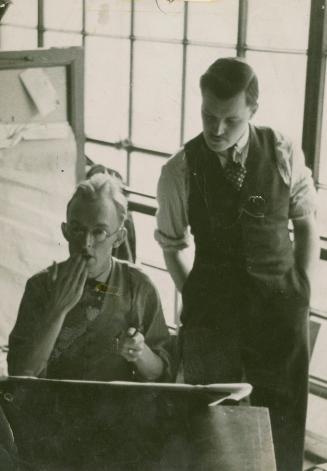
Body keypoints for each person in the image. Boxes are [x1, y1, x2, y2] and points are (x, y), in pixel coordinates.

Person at [155, 57, 319, 471]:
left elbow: (306, 220)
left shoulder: (283, 150)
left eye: (229, 119)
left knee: (282, 419)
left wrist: (301, 287)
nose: (216, 129)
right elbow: (173, 245)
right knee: (215, 427)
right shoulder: (179, 169)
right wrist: (194, 292)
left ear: (252, 109)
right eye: (208, 116)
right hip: (214, 316)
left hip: (281, 312)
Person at [8, 172, 171, 382]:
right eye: (77, 230)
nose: (86, 243)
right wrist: (57, 310)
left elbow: (161, 375)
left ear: (119, 238)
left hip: (115, 409)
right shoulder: (41, 286)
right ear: (65, 231)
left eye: (99, 232)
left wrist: (140, 352)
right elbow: (20, 375)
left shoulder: (137, 286)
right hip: (52, 407)